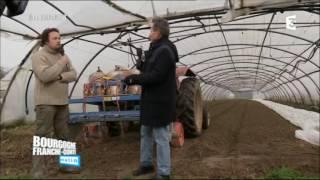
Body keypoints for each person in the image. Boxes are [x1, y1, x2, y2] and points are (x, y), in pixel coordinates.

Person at [124, 17, 179, 179]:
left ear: (158, 32)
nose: (149, 33)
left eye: (151, 30)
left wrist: (133, 78)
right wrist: (141, 61)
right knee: (145, 133)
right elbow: (148, 69)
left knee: (161, 138)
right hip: (150, 101)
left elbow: (156, 76)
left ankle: (164, 173)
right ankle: (146, 164)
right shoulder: (156, 48)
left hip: (160, 102)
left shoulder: (165, 51)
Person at [31, 28, 77, 178]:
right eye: (55, 38)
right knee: (43, 138)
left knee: (64, 136)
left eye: (59, 37)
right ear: (46, 40)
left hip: (62, 102)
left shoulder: (62, 55)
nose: (59, 40)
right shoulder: (38, 56)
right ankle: (39, 172)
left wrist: (59, 77)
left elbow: (74, 74)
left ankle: (68, 166)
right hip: (46, 103)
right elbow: (45, 75)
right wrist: (61, 64)